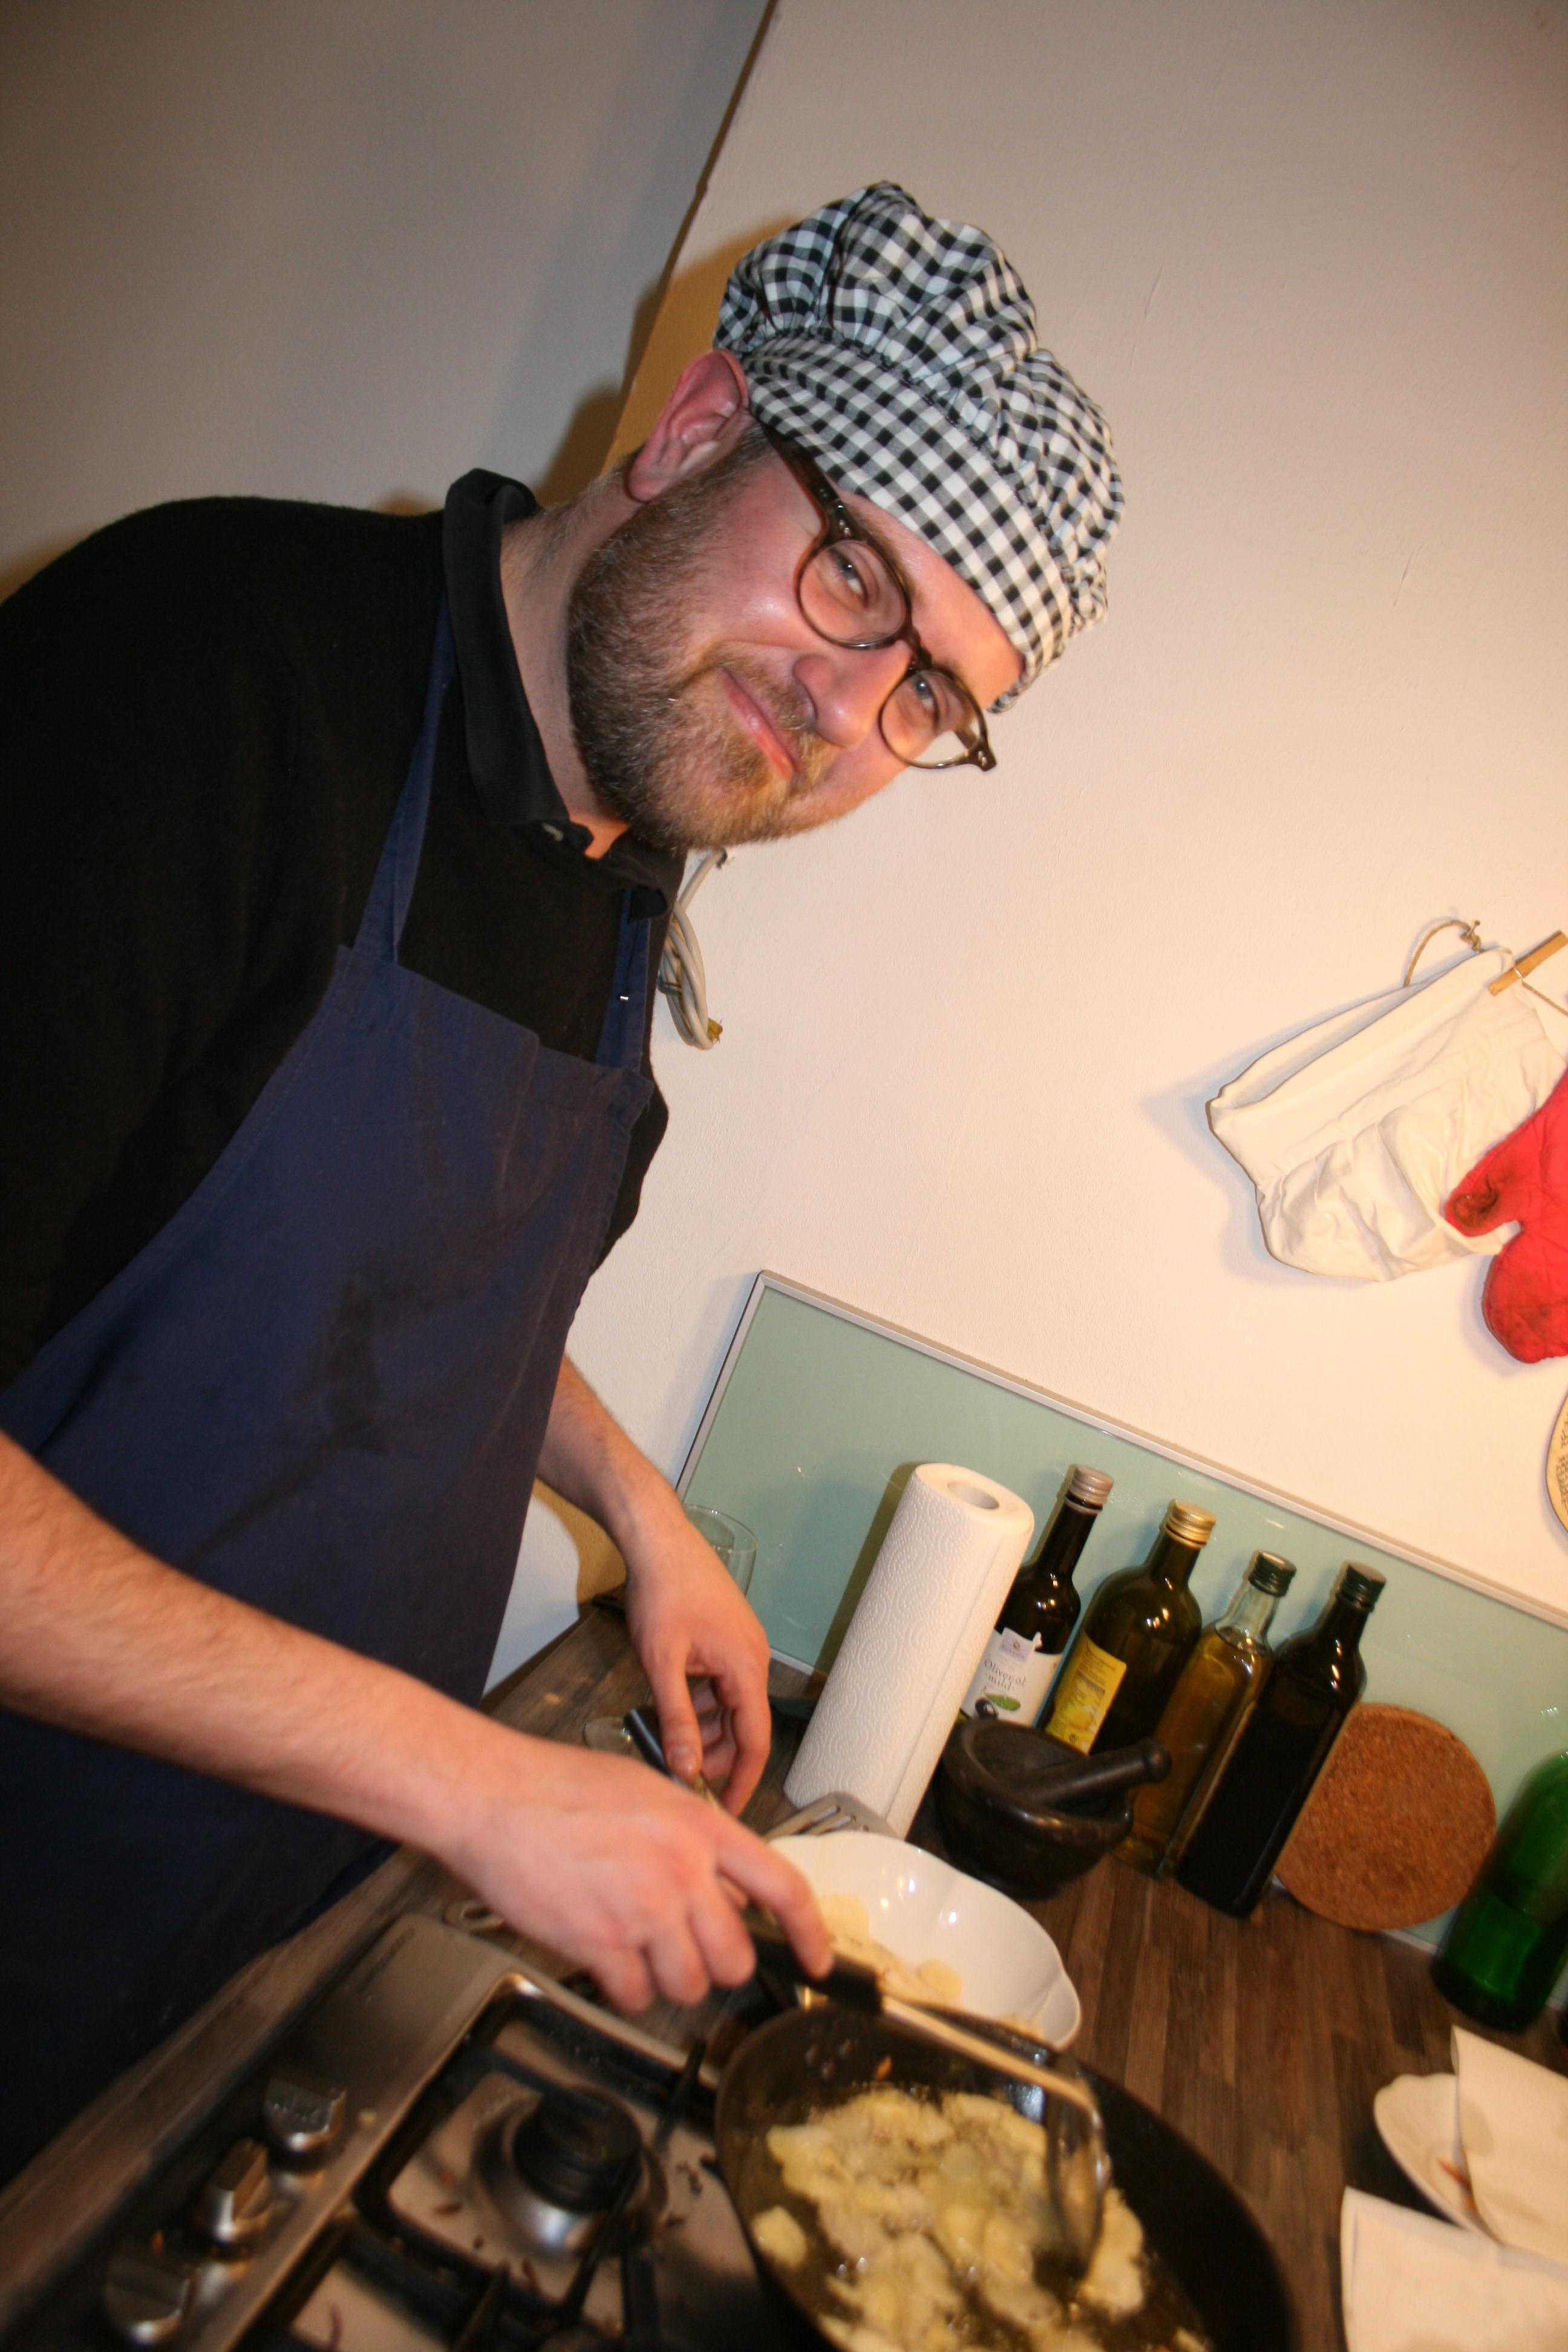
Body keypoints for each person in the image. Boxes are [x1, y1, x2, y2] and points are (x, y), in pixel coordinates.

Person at [0, 184, 1121, 2180]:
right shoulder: (202, 671)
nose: (846, 711)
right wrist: (468, 1780)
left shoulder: (619, 855)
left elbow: (390, 1294)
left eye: (932, 696)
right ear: (694, 430)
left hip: (240, 1950)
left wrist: (635, 1504)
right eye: (855, 576)